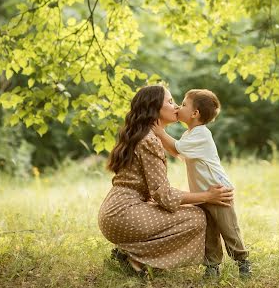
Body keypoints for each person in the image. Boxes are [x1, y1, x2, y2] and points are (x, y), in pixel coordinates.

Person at [98, 85, 234, 276]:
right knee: (198, 217)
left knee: (188, 211)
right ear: (155, 109)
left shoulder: (144, 135)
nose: (177, 106)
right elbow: (164, 195)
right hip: (124, 215)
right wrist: (207, 196)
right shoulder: (149, 140)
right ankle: (134, 258)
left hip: (115, 212)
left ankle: (130, 254)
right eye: (170, 102)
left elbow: (175, 156)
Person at [154, 88, 251, 277]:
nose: (178, 107)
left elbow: (176, 147)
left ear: (194, 113)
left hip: (219, 191)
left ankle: (243, 261)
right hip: (204, 193)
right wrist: (160, 136)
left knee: (228, 229)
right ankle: (212, 266)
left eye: (183, 104)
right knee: (209, 231)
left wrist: (159, 131)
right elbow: (177, 152)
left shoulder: (201, 134)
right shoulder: (189, 135)